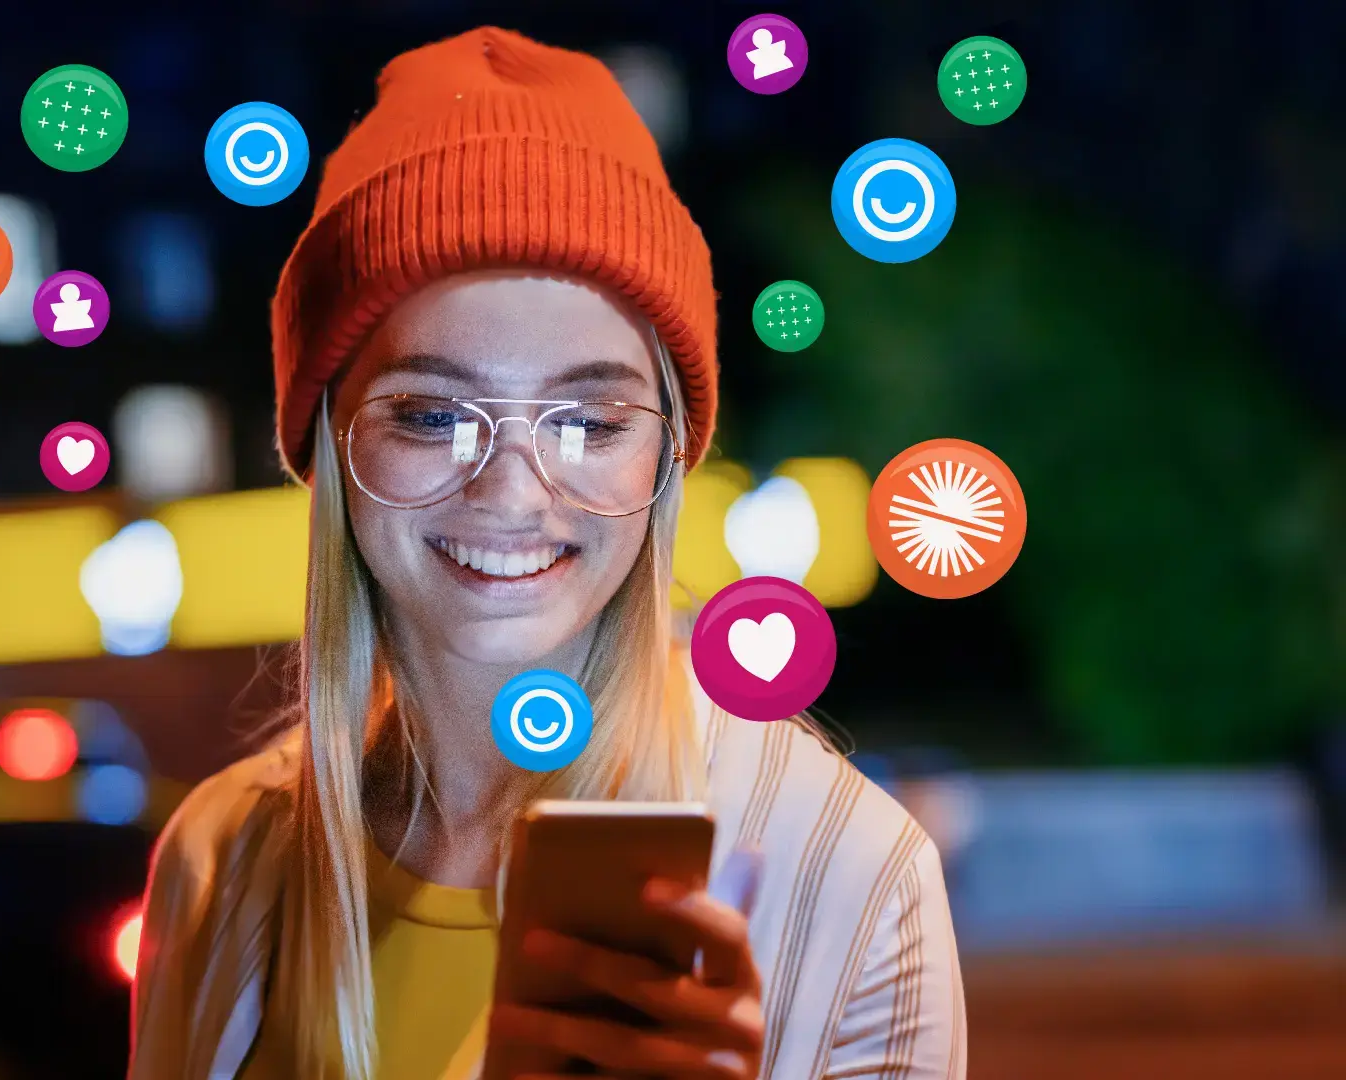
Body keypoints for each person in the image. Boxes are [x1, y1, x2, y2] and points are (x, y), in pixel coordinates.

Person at [131, 26, 964, 1080]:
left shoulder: (847, 867)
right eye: (430, 414)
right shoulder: (221, 860)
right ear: (329, 450)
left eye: (590, 421)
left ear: (666, 450)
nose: (515, 491)